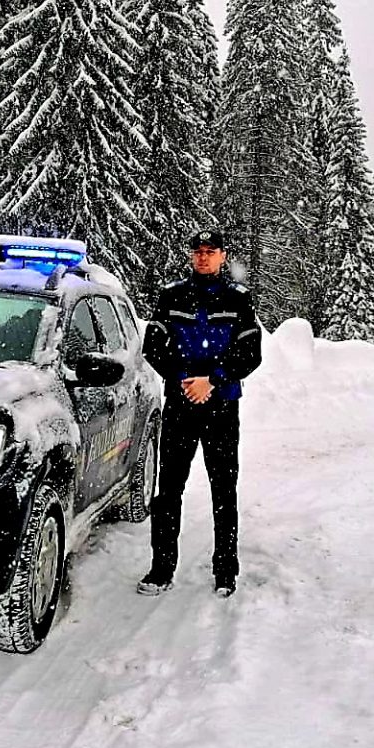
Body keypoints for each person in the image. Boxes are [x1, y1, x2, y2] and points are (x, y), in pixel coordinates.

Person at [137, 228, 263, 598]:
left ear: (223, 256)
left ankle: (225, 571)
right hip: (180, 406)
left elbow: (251, 353)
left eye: (211, 251)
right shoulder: (172, 296)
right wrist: (183, 378)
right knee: (168, 490)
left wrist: (213, 379)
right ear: (192, 256)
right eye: (199, 252)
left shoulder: (238, 299)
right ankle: (161, 569)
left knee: (223, 490)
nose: (204, 257)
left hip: (222, 406)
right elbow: (153, 346)